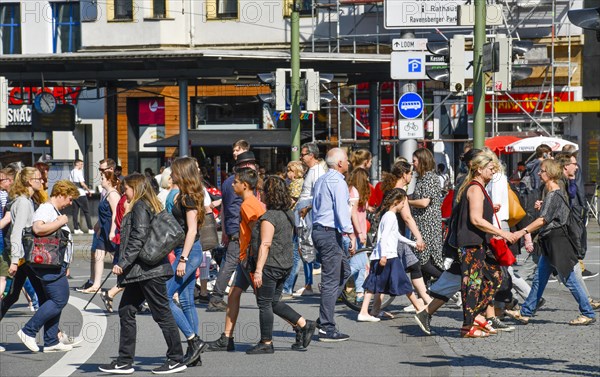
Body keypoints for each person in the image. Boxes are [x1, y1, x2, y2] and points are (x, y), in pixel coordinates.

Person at [98, 173, 187, 375]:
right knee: (127, 310)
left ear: (135, 188)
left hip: (148, 271)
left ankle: (176, 358)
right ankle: (124, 361)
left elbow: (139, 237)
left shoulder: (140, 206)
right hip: (142, 270)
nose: (123, 192)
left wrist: (122, 263)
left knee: (161, 313)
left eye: (126, 189)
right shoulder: (145, 204)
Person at [505, 159, 596, 326]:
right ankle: (526, 312)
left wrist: (522, 232)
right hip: (551, 241)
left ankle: (587, 312)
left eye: (542, 171)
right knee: (540, 278)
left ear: (551, 173)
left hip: (557, 242)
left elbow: (543, 220)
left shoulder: (554, 193)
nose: (539, 174)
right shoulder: (553, 193)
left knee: (570, 279)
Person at [454, 150, 519, 338]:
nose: (493, 172)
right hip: (471, 243)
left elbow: (478, 214)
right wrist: (502, 233)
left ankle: (476, 317)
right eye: (490, 168)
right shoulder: (474, 188)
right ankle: (468, 326)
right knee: (472, 284)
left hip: (480, 243)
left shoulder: (479, 187)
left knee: (495, 277)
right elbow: (475, 219)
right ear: (479, 169)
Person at [248, 176, 316, 354]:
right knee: (273, 302)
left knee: (264, 304)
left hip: (271, 266)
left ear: (269, 194)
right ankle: (303, 323)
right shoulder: (288, 214)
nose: (260, 194)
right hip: (284, 265)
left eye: (262, 191)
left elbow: (265, 244)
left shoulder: (270, 217)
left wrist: (258, 271)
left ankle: (266, 342)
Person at [17, 180, 79, 353]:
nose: (70, 203)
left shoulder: (53, 210)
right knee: (59, 300)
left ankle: (51, 341)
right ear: (61, 194)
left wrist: (67, 262)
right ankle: (28, 331)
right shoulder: (46, 208)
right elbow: (37, 228)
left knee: (54, 301)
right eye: (70, 198)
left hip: (54, 264)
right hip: (47, 265)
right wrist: (61, 222)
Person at [207, 167, 265, 351]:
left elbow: (259, 234)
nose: (232, 184)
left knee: (268, 301)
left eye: (235, 182)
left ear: (245, 185)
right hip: (244, 256)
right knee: (233, 294)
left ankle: (301, 325)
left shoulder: (249, 205)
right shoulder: (247, 203)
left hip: (250, 257)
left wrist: (257, 265)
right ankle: (227, 338)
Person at [166, 157, 207, 366]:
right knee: (186, 301)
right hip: (189, 251)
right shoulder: (185, 194)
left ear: (181, 172)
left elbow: (192, 230)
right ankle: (194, 352)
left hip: (189, 252)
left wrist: (182, 259)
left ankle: (194, 341)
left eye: (173, 171)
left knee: (164, 297)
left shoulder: (188, 197)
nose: (170, 174)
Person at [311, 148, 354, 342]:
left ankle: (324, 318)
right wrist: (350, 232)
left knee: (344, 271)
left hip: (321, 230)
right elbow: (341, 210)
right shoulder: (338, 181)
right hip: (329, 232)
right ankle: (327, 327)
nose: (348, 163)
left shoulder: (321, 180)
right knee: (331, 279)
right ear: (339, 163)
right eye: (346, 160)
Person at [357, 189, 415, 322]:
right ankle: (364, 312)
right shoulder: (390, 216)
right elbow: (384, 237)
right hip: (385, 255)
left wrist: (413, 243)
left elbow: (396, 235)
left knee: (376, 284)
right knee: (374, 283)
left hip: (384, 255)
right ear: (396, 202)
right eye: (403, 204)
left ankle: (370, 311)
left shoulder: (388, 215)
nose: (403, 206)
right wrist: (383, 255)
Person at [208, 140, 251, 311]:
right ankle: (217, 297)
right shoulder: (242, 181)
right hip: (242, 227)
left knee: (235, 260)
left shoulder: (229, 182)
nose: (235, 152)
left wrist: (225, 230)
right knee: (232, 261)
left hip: (234, 226)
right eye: (234, 150)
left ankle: (220, 296)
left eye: (238, 150)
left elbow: (225, 207)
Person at [292, 142, 327, 298]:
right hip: (304, 210)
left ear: (312, 155)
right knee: (305, 247)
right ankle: (308, 283)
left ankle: (309, 284)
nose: (301, 156)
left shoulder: (317, 171)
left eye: (304, 154)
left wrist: (307, 208)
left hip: (307, 212)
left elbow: (319, 195)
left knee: (307, 246)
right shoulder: (312, 170)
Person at [77, 158, 116, 292]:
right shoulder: (105, 189)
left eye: (102, 170)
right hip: (103, 226)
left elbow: (116, 213)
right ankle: (95, 284)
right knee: (98, 253)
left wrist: (112, 231)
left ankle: (127, 284)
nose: (100, 173)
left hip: (111, 227)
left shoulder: (113, 191)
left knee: (116, 257)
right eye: (99, 169)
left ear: (110, 170)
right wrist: (98, 225)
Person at [408, 148, 443, 284]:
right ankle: (424, 298)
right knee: (422, 261)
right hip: (422, 224)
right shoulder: (422, 178)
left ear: (422, 161)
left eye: (415, 161)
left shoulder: (429, 177)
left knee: (424, 262)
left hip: (428, 225)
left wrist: (406, 202)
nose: (413, 164)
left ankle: (450, 281)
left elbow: (424, 202)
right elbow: (417, 197)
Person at [346, 167, 371, 304]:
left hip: (359, 232)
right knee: (357, 265)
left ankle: (360, 293)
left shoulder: (354, 191)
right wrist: (360, 233)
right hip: (356, 233)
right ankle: (336, 282)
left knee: (361, 265)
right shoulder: (354, 192)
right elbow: (353, 214)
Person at [281, 160, 305, 297]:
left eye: (290, 170)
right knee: (294, 254)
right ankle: (288, 286)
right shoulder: (293, 183)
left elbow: (290, 202)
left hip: (295, 222)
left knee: (295, 255)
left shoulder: (296, 183)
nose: (288, 173)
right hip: (295, 221)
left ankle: (288, 286)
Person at [69, 159, 94, 235]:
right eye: (81, 164)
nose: (82, 166)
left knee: (75, 212)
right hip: (81, 194)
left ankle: (76, 229)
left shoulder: (72, 172)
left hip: (74, 194)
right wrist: (88, 190)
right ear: (77, 164)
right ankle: (90, 228)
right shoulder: (79, 172)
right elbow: (82, 183)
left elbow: (70, 183)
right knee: (86, 211)